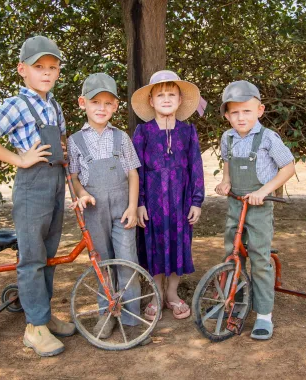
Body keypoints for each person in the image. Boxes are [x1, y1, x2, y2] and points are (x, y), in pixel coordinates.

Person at [0, 36, 75, 357]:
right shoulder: (16, 104)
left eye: (52, 67)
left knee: (48, 255)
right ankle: (34, 329)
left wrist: (66, 151)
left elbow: (60, 141)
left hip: (56, 182)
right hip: (32, 187)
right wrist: (19, 159)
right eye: (38, 67)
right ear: (22, 69)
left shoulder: (54, 105)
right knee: (31, 258)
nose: (46, 73)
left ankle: (43, 316)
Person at [214, 80, 295, 340]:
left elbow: (288, 168)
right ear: (227, 115)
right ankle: (236, 304)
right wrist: (226, 181)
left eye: (246, 111)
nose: (240, 117)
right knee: (233, 254)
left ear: (259, 110)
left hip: (259, 207)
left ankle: (263, 314)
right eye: (234, 112)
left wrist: (264, 191)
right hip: (236, 204)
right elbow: (227, 162)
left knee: (260, 258)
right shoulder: (227, 138)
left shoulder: (268, 138)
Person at [67, 73, 141, 338]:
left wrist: (133, 207)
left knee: (126, 260)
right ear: (82, 103)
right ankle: (106, 314)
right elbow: (73, 177)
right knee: (101, 261)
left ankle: (132, 319)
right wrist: (81, 193)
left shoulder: (122, 138)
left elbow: (133, 173)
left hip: (122, 207)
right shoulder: (75, 140)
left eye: (108, 103)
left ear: (115, 106)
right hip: (93, 208)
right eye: (95, 101)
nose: (101, 108)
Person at [131, 70, 205, 320]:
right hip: (152, 203)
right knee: (154, 247)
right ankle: (155, 295)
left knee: (178, 246)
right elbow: (136, 171)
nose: (166, 98)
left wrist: (197, 201)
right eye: (160, 94)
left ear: (180, 99)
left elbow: (196, 167)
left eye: (171, 94)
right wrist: (138, 203)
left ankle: (172, 294)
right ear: (151, 100)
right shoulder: (142, 132)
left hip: (181, 201)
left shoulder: (188, 131)